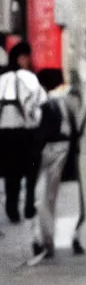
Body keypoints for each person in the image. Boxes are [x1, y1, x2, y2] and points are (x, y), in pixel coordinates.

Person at [29, 68, 83, 263]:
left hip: (46, 149)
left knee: (41, 196)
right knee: (51, 196)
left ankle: (44, 238)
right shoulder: (66, 100)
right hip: (64, 148)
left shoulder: (44, 101)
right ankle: (50, 238)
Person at [0, 41, 47, 222]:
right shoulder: (30, 78)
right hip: (26, 133)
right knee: (31, 171)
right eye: (26, 57)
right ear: (20, 58)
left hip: (4, 133)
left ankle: (12, 209)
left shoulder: (2, 79)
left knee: (11, 174)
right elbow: (41, 104)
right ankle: (29, 205)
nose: (28, 60)